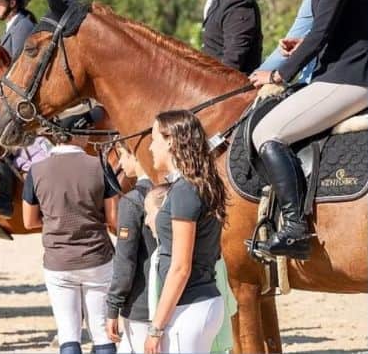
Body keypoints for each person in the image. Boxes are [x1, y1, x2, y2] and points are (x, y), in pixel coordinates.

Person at [252, 0, 368, 259]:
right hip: (349, 72)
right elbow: (337, 32)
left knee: (267, 132)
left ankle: (294, 228)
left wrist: (278, 74)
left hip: (347, 79)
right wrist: (298, 51)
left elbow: (319, 34)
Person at [23, 131, 119, 354]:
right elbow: (114, 218)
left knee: (68, 332)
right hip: (97, 259)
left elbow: (29, 221)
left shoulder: (36, 170)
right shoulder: (101, 166)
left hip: (58, 262)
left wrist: (57, 221)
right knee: (101, 331)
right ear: (77, 135)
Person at [142, 111, 227, 354]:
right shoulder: (194, 185)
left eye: (154, 139)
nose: (150, 147)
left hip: (189, 305)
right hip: (198, 303)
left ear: (170, 140)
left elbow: (180, 267)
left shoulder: (184, 190)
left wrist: (155, 328)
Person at [104, 149, 158, 353]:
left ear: (136, 156)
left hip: (141, 305)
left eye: (123, 156)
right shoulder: (172, 190)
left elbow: (125, 261)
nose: (120, 163)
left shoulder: (132, 200)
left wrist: (113, 306)